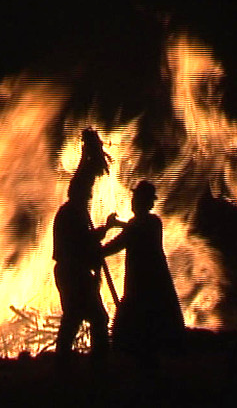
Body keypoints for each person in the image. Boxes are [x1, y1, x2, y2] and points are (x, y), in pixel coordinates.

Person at [52, 128, 117, 366]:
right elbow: (84, 242)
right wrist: (105, 231)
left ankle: (66, 364)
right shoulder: (72, 214)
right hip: (73, 273)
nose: (90, 195)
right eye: (88, 193)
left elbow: (86, 240)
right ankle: (96, 365)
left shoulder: (73, 211)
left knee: (76, 318)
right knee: (94, 318)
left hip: (73, 272)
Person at [102, 180, 185, 366]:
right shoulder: (138, 224)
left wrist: (100, 247)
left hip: (147, 287)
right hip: (141, 286)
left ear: (145, 202)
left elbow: (127, 236)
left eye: (136, 198)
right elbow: (125, 237)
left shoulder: (152, 223)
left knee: (135, 327)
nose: (133, 202)